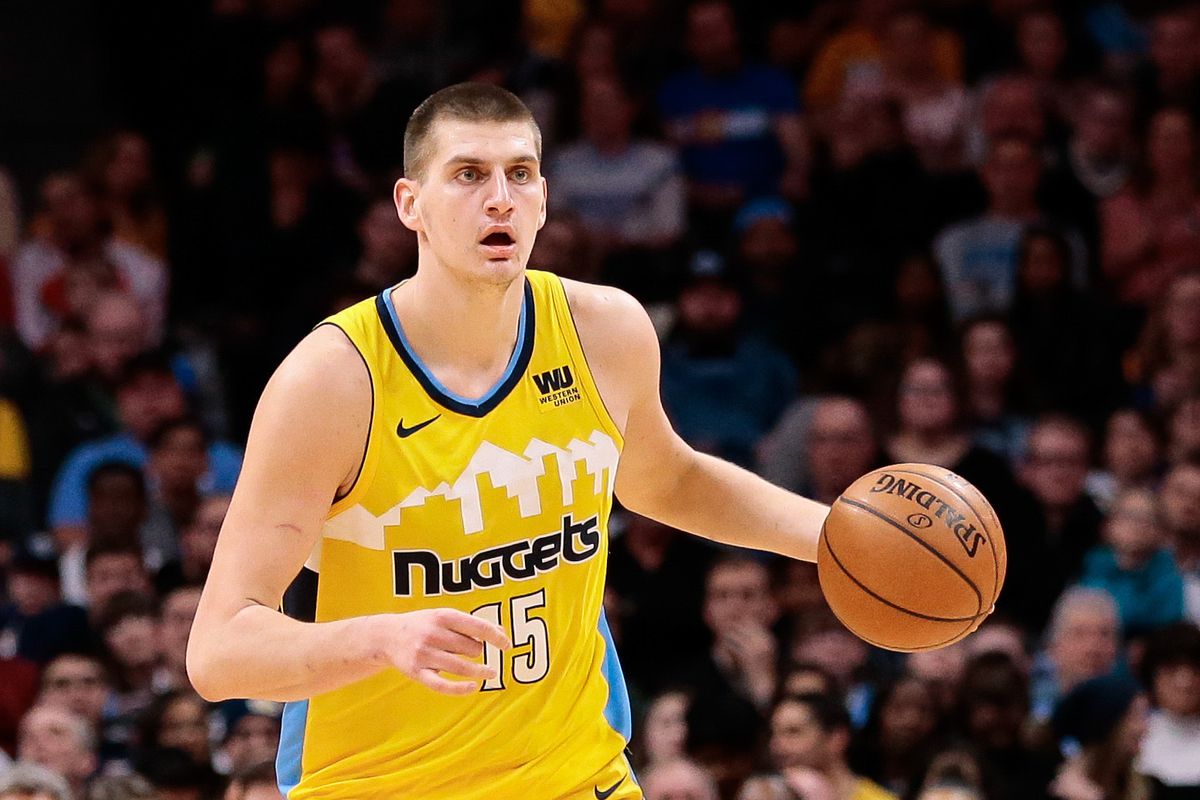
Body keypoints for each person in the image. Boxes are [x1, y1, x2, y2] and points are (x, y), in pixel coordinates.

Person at [187, 83, 832, 799]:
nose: (500, 199)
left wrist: (835, 536)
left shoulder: (604, 330)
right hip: (380, 784)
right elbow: (219, 651)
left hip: (576, 777)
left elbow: (667, 479)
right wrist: (381, 638)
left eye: (519, 174)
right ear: (410, 204)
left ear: (544, 199)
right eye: (468, 174)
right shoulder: (332, 382)